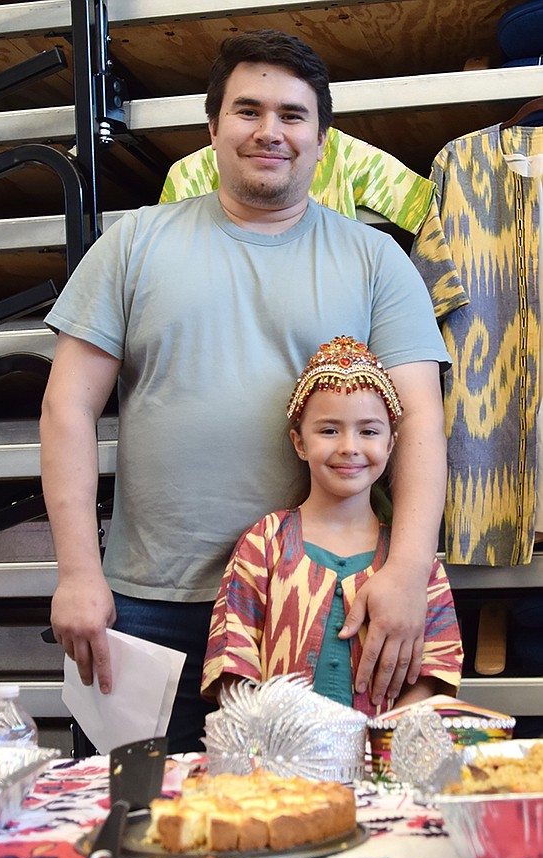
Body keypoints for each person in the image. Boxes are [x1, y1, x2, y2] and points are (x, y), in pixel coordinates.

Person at [39, 29, 450, 752]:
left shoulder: (376, 260)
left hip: (318, 602)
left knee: (312, 819)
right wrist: (77, 571)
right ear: (212, 127)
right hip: (145, 608)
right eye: (248, 110)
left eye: (293, 116)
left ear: (322, 139)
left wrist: (409, 570)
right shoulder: (133, 244)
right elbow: (67, 407)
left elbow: (418, 418)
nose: (270, 132)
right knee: (138, 826)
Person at [201, 336, 463, 711]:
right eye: (329, 430)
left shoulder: (414, 565)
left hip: (383, 764)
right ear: (300, 443)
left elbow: (437, 670)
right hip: (279, 763)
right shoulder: (264, 544)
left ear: (391, 445)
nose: (349, 447)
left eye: (369, 431)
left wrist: (388, 741)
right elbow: (232, 658)